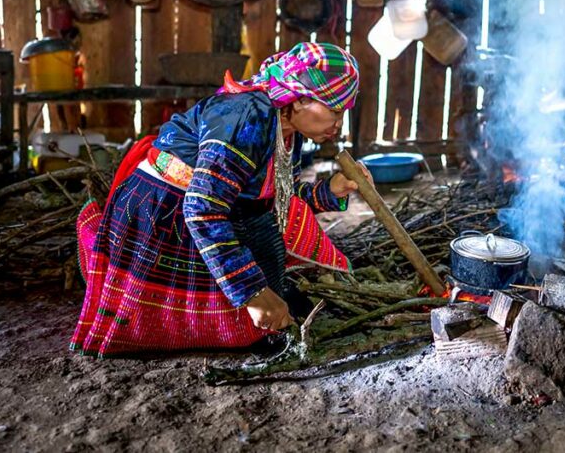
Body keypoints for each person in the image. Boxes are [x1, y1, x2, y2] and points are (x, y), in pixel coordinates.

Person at [70, 42, 371, 357]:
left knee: (268, 241)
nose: (338, 123)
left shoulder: (286, 127)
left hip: (224, 207)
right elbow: (202, 209)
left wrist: (329, 191)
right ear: (297, 99)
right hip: (166, 212)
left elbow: (275, 194)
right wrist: (252, 293)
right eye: (334, 110)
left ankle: (263, 298)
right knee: (250, 315)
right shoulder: (247, 118)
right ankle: (238, 308)